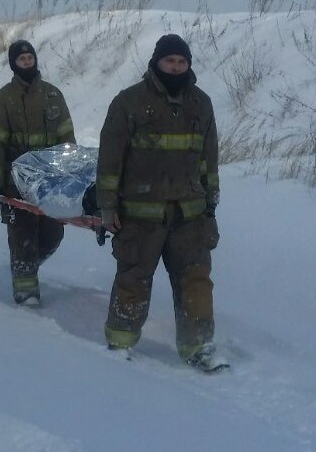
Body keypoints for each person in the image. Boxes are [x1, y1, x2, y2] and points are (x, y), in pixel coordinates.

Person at [95, 33, 224, 372]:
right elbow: (110, 161)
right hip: (140, 216)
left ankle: (199, 346)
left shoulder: (201, 104)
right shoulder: (129, 102)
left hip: (190, 216)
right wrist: (107, 207)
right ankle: (120, 342)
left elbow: (208, 159)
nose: (176, 67)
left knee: (196, 280)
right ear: (156, 62)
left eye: (182, 61)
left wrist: (211, 204)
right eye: (170, 61)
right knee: (133, 278)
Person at [0, 40, 76, 306]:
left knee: (53, 234)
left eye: (29, 57)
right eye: (21, 59)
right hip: (16, 183)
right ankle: (26, 294)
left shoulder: (53, 95)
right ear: (14, 64)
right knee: (22, 235)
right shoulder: (2, 100)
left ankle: (27, 267)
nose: (27, 62)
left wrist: (71, 176)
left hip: (50, 183)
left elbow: (67, 138)